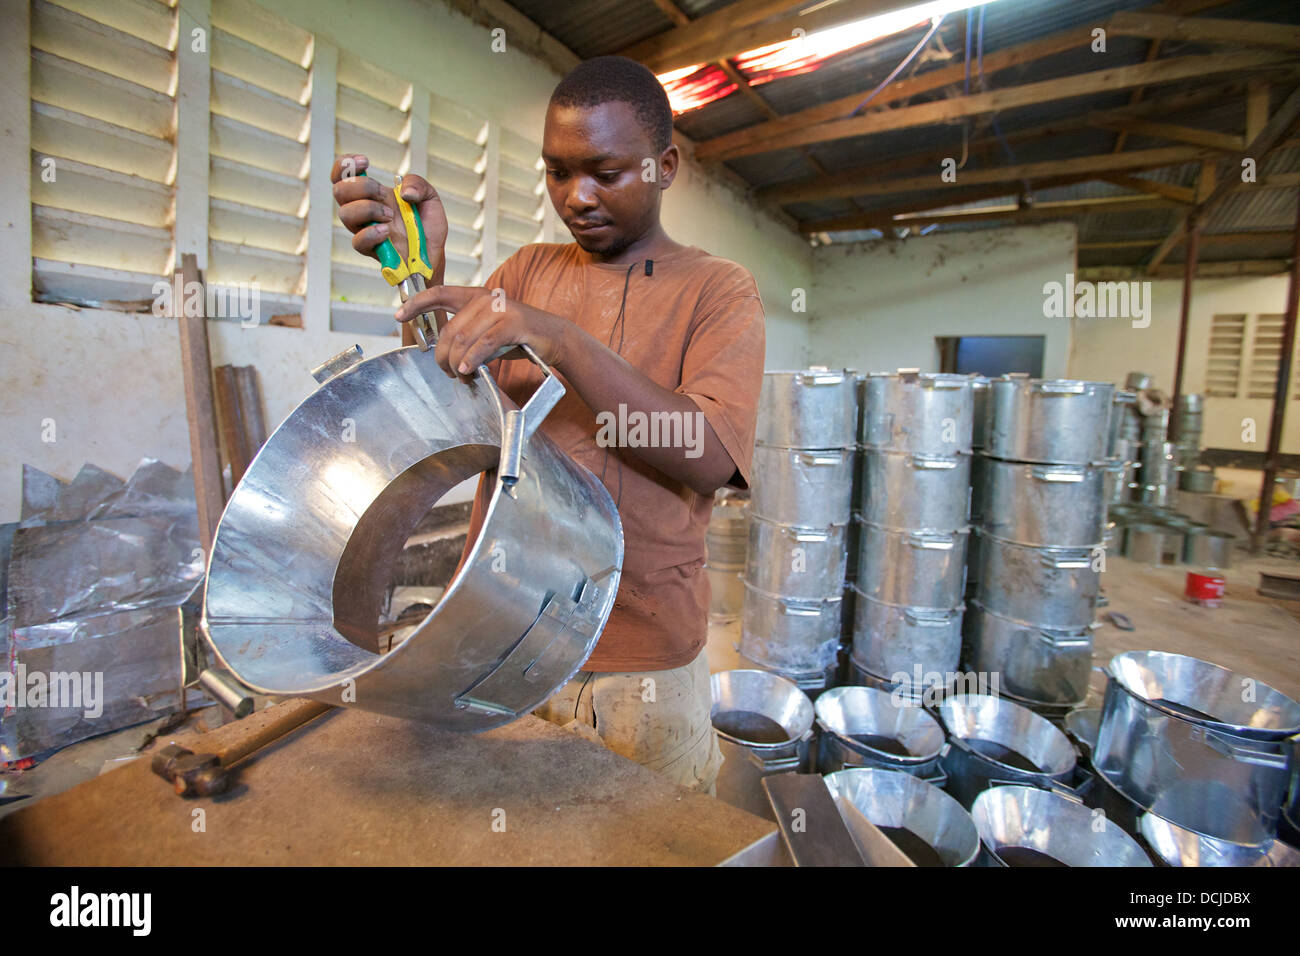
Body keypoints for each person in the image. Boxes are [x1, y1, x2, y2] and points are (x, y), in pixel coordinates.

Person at [331, 55, 765, 793]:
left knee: (649, 840)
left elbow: (706, 455)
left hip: (639, 671)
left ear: (664, 166)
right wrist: (425, 284)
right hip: (502, 639)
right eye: (557, 173)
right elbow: (453, 417)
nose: (578, 197)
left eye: (605, 171)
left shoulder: (718, 290)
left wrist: (557, 337)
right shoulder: (528, 273)